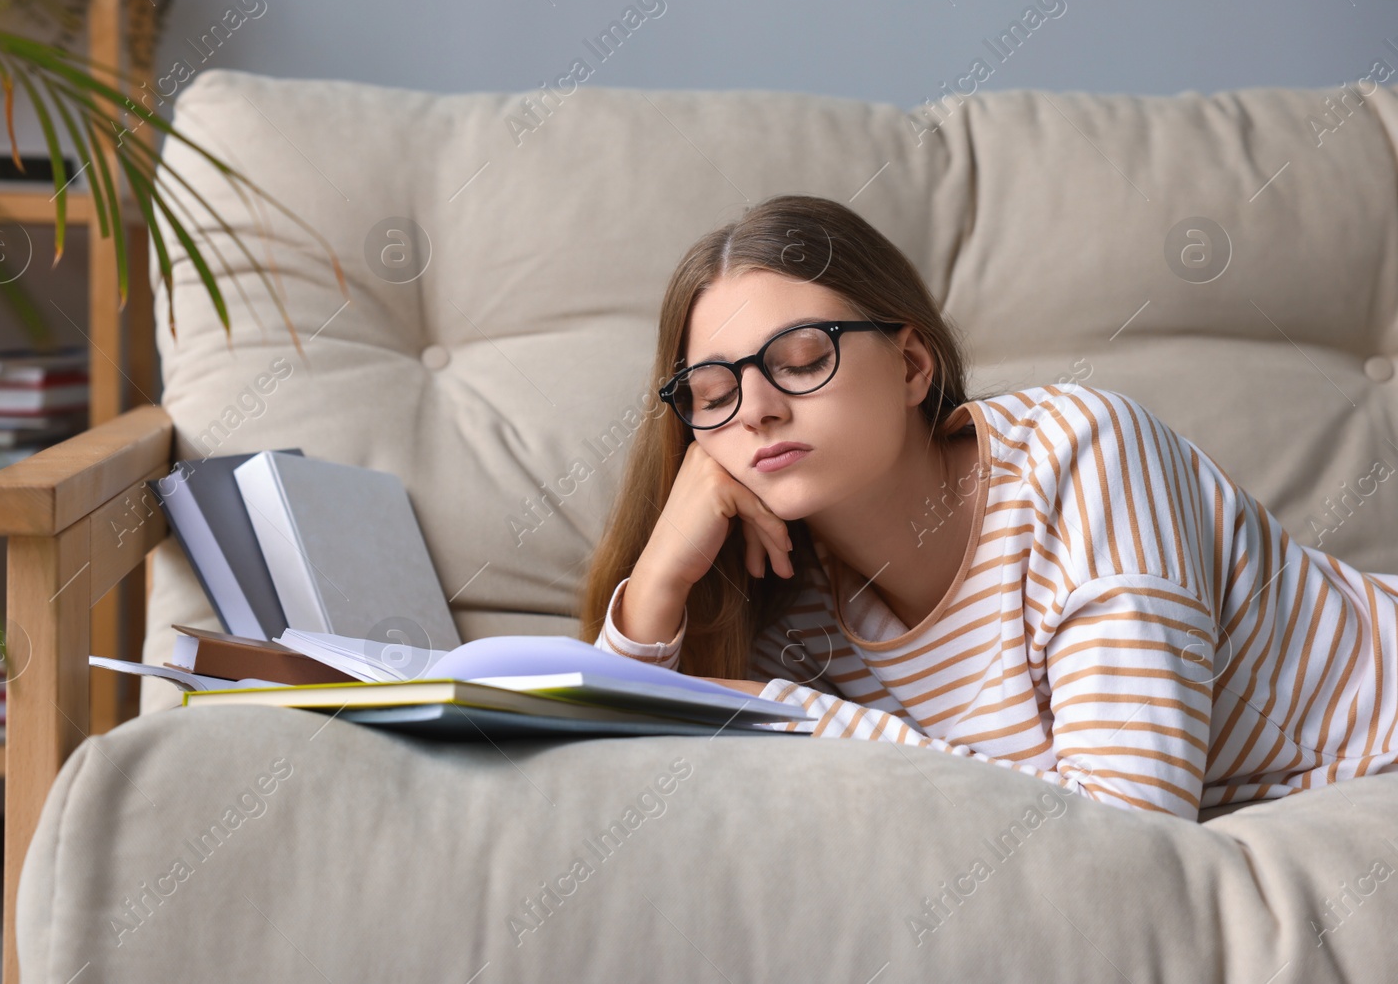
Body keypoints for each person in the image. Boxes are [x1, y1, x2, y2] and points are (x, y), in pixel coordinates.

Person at [580, 193, 1398, 822]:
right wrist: (658, 583)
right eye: (713, 393)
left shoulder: (1083, 454)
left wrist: (782, 718)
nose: (755, 409)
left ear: (910, 366)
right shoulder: (792, 609)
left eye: (799, 360)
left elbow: (1126, 832)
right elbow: (621, 793)